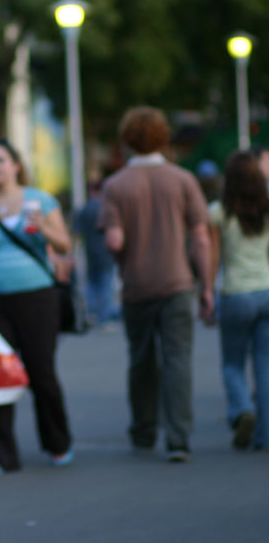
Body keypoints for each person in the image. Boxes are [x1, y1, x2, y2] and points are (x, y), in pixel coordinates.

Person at [99, 106, 213, 462]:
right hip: (177, 283)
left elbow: (114, 242)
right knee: (178, 359)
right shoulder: (182, 180)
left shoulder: (116, 185)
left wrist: (124, 260)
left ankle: (144, 430)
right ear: (163, 138)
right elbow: (201, 237)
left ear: (128, 140)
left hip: (136, 286)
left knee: (141, 359)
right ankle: (178, 437)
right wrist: (206, 286)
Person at [0, 139, 74, 475]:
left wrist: (45, 225)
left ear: (15, 165)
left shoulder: (40, 200)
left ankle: (57, 442)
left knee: (41, 372)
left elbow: (65, 245)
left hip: (37, 297)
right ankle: (4, 453)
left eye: (1, 160)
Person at [208, 150, 269, 451]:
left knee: (232, 363)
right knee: (265, 364)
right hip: (267, 290)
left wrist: (206, 290)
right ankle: (266, 434)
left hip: (236, 292)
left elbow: (213, 256)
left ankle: (242, 410)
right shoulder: (267, 208)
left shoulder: (219, 212)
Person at [73, 179, 120, 329]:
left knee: (92, 284)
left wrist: (73, 253)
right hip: (106, 253)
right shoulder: (106, 208)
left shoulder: (84, 209)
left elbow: (77, 234)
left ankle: (92, 313)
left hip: (90, 252)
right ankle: (104, 318)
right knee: (106, 285)